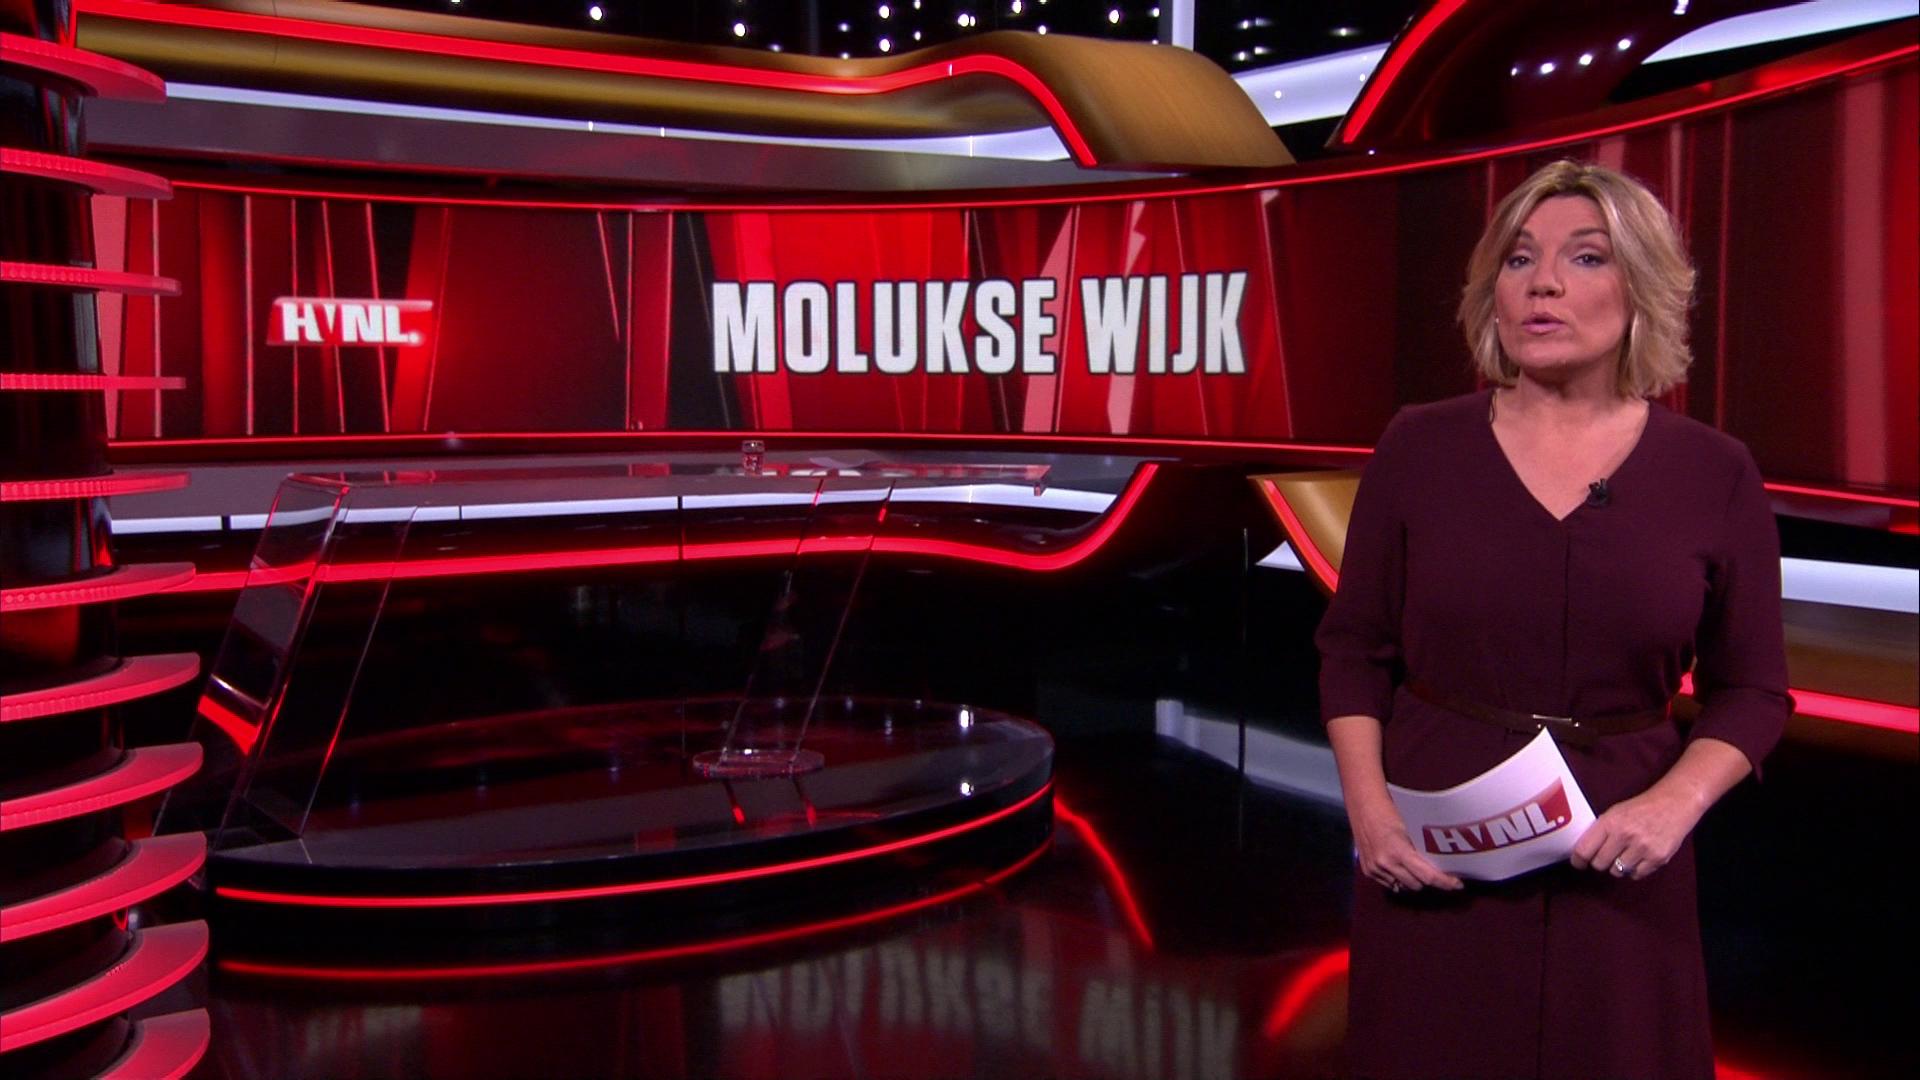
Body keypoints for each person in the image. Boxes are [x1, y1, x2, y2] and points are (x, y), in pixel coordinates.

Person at [1315, 159, 1792, 1079]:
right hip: (1437, 860)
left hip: (1620, 862)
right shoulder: (1418, 445)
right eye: (1519, 258)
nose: (1543, 283)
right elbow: (1353, 653)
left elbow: (1754, 692)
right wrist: (1371, 819)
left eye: (1586, 257)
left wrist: (1672, 807)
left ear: (1640, 287)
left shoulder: (1715, 471)